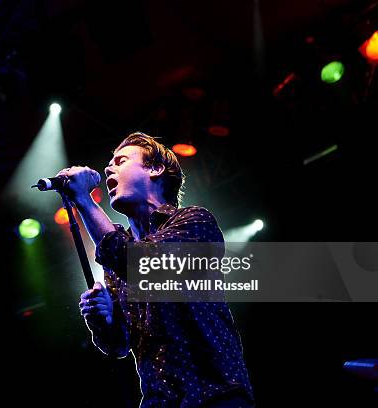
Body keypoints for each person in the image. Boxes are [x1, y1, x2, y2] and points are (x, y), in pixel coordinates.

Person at [57, 132, 254, 407]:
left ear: (155, 169)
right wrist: (104, 318)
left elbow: (139, 263)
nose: (108, 168)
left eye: (121, 161)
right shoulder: (119, 251)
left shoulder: (194, 222)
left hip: (216, 395)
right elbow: (118, 345)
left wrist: (84, 200)